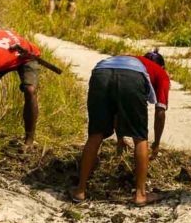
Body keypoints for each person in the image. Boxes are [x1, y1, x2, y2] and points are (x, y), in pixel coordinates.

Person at [70, 50, 170, 207]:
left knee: (95, 134)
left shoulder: (131, 58)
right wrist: (156, 143)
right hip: (132, 78)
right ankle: (141, 194)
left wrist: (120, 138)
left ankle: (80, 190)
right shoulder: (161, 73)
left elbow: (117, 105)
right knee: (140, 138)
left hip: (100, 72)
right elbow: (160, 112)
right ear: (163, 67)